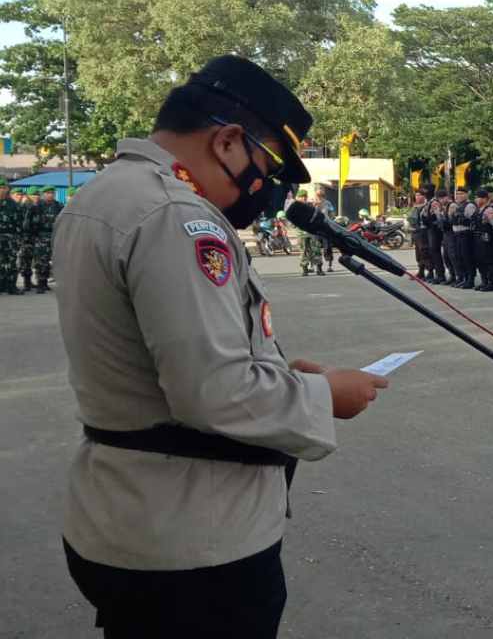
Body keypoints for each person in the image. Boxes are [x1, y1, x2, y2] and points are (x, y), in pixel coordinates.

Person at [52, 54, 387, 637]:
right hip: (192, 540)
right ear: (229, 143)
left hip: (124, 517)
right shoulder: (177, 217)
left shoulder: (107, 195)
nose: (270, 187)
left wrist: (290, 377)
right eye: (270, 166)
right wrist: (325, 395)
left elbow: (155, 361)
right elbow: (216, 391)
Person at [28, 186, 63, 293]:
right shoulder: (37, 206)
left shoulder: (59, 206)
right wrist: (32, 237)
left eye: (52, 193)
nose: (50, 195)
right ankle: (40, 284)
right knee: (40, 261)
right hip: (41, 236)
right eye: (47, 193)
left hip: (54, 236)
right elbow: (29, 222)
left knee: (53, 262)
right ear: (43, 194)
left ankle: (47, 282)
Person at [449, 188, 478, 289]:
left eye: (461, 194)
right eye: (457, 194)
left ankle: (470, 280)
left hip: (466, 234)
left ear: (466, 194)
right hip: (457, 234)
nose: (459, 196)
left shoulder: (469, 205)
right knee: (459, 257)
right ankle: (464, 278)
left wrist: (461, 219)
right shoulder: (457, 206)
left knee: (467, 257)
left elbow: (472, 221)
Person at [473, 189, 493, 292]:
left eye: (478, 197)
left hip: (487, 238)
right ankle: (484, 281)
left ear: (484, 198)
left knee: (489, 261)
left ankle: (491, 283)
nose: (476, 199)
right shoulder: (479, 209)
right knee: (480, 261)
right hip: (478, 238)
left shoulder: (489, 210)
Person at [0, 179, 20, 294]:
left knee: (12, 262)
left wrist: (17, 238)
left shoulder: (13, 204)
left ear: (7, 189)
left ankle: (11, 286)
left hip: (10, 238)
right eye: (0, 188)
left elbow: (19, 222)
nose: (1, 190)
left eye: (3, 188)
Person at [409, 190, 431, 280]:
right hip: (415, 232)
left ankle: (430, 272)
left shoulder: (426, 206)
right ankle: (421, 272)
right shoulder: (415, 207)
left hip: (423, 232)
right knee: (418, 254)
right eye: (416, 195)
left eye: (419, 195)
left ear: (424, 196)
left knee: (424, 252)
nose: (417, 197)